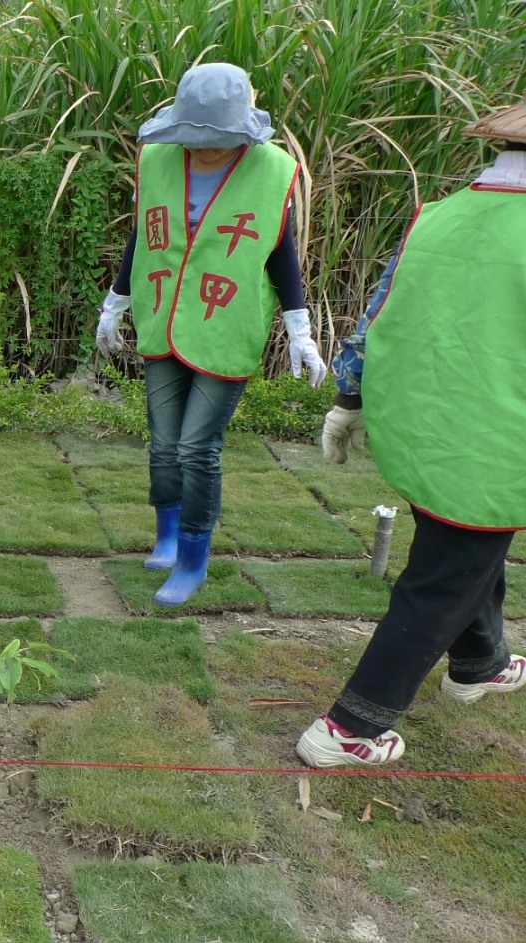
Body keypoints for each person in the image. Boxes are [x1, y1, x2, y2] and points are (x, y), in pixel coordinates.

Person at [298, 41, 526, 768]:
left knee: (464, 552)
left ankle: (479, 665)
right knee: (442, 579)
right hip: (500, 445)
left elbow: (377, 311)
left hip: (422, 428)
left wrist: (350, 396)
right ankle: (351, 727)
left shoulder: (438, 215)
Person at [96, 62, 325, 607]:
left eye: (216, 141)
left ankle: (194, 560)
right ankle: (168, 536)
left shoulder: (273, 170)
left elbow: (280, 250)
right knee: (164, 443)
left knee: (198, 447)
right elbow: (141, 235)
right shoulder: (157, 160)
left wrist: (300, 329)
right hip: (163, 313)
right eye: (193, 138)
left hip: (227, 323)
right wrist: (115, 302)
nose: (202, 149)